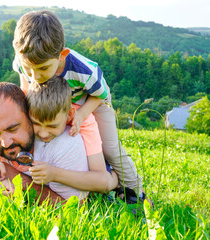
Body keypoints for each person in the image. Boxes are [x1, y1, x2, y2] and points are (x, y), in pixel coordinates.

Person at [11, 10, 145, 202]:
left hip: (92, 100)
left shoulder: (82, 70)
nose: (35, 76)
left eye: (42, 69)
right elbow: (27, 87)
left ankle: (135, 192)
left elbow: (101, 94)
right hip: (56, 103)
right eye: (29, 68)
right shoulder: (24, 63)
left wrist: (81, 115)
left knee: (110, 148)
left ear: (62, 55)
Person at [0, 82, 89, 202]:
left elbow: (74, 207)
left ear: (30, 117)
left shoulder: (65, 143)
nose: (6, 143)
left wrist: (19, 180)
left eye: (13, 129)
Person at [26, 75, 118, 193]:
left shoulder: (84, 122)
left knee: (111, 180)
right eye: (36, 124)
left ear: (70, 114)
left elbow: (102, 181)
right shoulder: (28, 108)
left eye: (52, 126)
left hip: (93, 161)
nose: (43, 134)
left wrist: (54, 174)